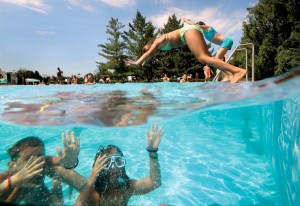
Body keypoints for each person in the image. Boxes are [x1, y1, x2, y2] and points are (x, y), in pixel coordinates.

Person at [125, 23, 246, 84]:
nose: (153, 53)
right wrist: (145, 60)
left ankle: (238, 71)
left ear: (150, 47)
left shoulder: (158, 41)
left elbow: (149, 53)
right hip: (189, 32)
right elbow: (150, 55)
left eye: (151, 51)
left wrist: (137, 62)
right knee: (207, 58)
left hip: (188, 32)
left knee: (203, 58)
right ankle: (230, 75)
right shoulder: (160, 47)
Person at [74, 124, 164, 206]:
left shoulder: (126, 188)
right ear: (99, 168)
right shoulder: (94, 193)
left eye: (118, 161)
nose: (114, 167)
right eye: (107, 163)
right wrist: (91, 180)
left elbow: (154, 183)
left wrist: (152, 153)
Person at [0, 131, 86, 205]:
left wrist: (69, 161)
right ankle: (56, 182)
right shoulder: (3, 179)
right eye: (29, 158)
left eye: (40, 155)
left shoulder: (43, 163)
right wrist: (11, 182)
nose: (38, 161)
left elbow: (59, 160)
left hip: (36, 192)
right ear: (12, 166)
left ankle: (56, 182)